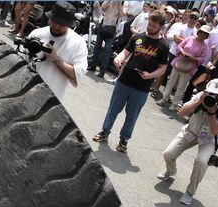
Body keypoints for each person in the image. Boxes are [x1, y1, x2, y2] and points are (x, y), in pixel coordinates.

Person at [92, 10, 169, 154]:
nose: (150, 27)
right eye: (150, 24)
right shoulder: (138, 38)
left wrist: (151, 75)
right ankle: (105, 132)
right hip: (125, 80)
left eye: (154, 26)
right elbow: (125, 52)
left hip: (142, 86)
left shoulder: (163, 46)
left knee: (132, 115)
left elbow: (163, 68)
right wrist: (118, 59)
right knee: (113, 109)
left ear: (161, 27)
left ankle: (124, 140)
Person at [158, 79, 218, 205]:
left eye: (217, 94)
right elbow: (181, 113)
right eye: (211, 92)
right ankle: (170, 171)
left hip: (209, 139)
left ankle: (190, 192)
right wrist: (199, 100)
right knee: (168, 154)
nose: (213, 95)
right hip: (191, 131)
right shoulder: (202, 94)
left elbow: (216, 131)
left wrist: (211, 111)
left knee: (201, 161)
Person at [28, 1, 88, 104]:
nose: (56, 26)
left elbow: (77, 76)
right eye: (54, 21)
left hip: (49, 103)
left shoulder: (78, 43)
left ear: (69, 24)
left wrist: (55, 59)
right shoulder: (37, 34)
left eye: (61, 24)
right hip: (26, 93)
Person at [157, 25, 209, 112]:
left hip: (189, 67)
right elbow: (179, 46)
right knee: (171, 81)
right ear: (198, 32)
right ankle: (164, 99)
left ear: (206, 36)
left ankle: (175, 104)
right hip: (179, 62)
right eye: (201, 32)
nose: (202, 34)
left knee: (181, 86)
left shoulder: (204, 46)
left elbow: (202, 59)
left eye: (204, 33)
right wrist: (182, 52)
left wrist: (192, 58)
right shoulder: (190, 38)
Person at [87, 1, 125, 78]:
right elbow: (102, 7)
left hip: (112, 28)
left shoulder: (121, 3)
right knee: (97, 46)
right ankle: (93, 65)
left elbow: (122, 14)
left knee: (107, 50)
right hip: (103, 25)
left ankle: (102, 71)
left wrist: (118, 3)